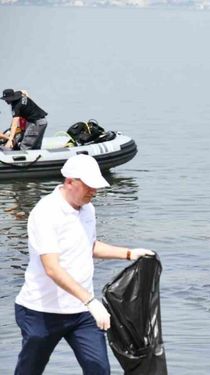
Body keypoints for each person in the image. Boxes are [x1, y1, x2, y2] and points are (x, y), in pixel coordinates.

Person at [14, 154, 154, 375]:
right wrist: (92, 302)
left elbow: (88, 246)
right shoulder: (46, 213)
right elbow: (52, 267)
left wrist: (129, 254)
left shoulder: (88, 208)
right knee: (29, 371)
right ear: (70, 182)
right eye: (89, 186)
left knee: (99, 369)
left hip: (81, 313)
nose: (94, 192)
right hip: (41, 312)